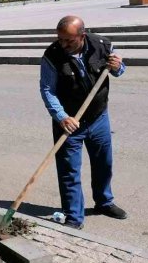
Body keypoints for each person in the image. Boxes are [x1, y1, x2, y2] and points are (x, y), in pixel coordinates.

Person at [39, 15, 127, 230]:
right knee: (69, 171)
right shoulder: (52, 56)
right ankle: (73, 217)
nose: (63, 44)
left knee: (103, 164)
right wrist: (62, 117)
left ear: (82, 36)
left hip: (98, 117)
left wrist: (118, 67)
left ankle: (104, 202)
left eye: (68, 40)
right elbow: (48, 90)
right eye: (60, 39)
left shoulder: (102, 45)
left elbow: (118, 70)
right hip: (69, 123)